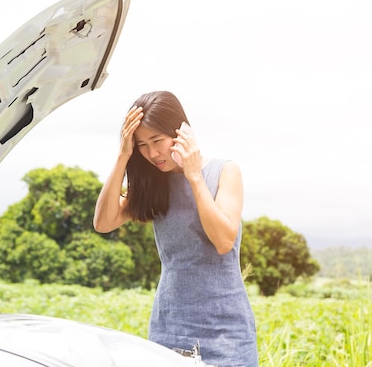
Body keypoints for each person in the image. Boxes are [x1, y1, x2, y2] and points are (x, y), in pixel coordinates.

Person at [93, 91, 259, 367]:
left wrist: (194, 176)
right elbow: (103, 222)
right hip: (169, 325)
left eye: (157, 140)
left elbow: (223, 241)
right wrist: (123, 156)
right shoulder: (152, 185)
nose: (152, 153)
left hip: (225, 331)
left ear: (180, 132)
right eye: (142, 145)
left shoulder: (224, 172)